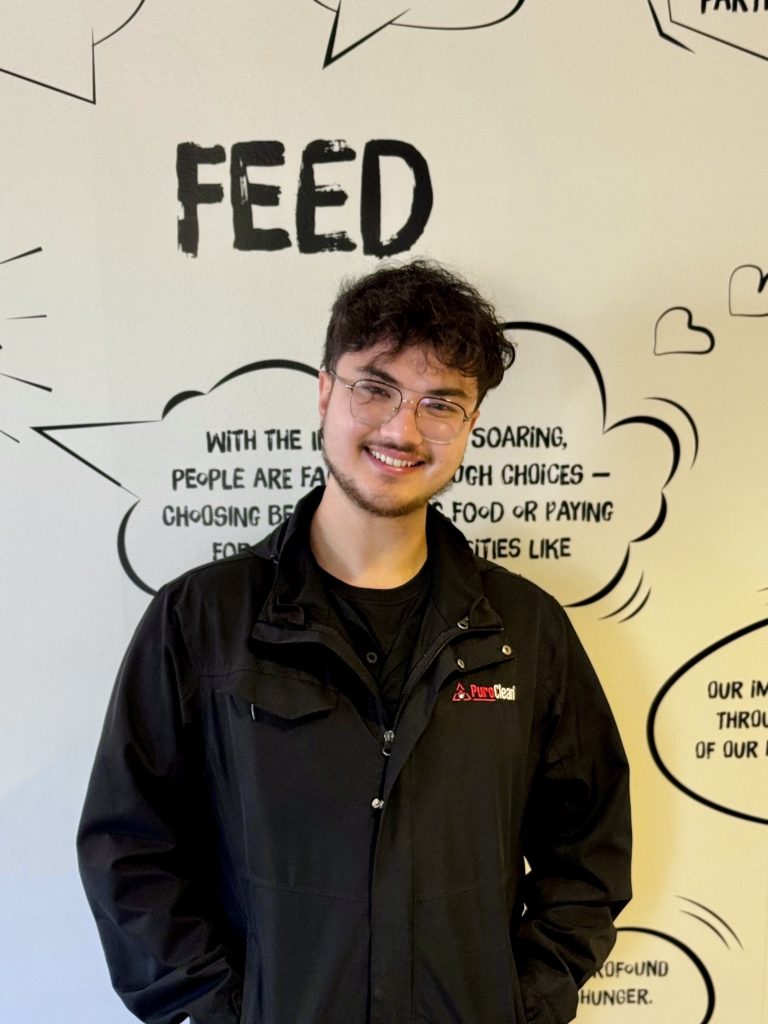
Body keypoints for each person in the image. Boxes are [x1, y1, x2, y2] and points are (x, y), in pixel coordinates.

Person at [77, 259, 631, 1024]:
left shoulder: (527, 631)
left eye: (441, 402)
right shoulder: (199, 620)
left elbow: (590, 851)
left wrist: (522, 1003)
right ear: (325, 389)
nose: (403, 429)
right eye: (376, 386)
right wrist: (219, 1012)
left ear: (470, 425)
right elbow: (129, 849)